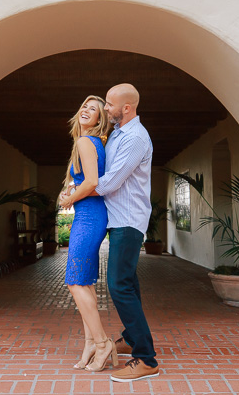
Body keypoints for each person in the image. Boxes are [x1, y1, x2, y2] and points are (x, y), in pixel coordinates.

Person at [64, 83, 160, 382]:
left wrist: (76, 194)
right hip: (115, 217)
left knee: (118, 285)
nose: (106, 109)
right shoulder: (117, 133)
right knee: (127, 281)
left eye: (108, 104)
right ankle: (131, 337)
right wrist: (82, 189)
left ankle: (146, 359)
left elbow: (110, 181)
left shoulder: (134, 138)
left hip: (128, 219)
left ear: (126, 108)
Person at [58, 95, 117, 372]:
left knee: (74, 281)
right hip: (90, 214)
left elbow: (93, 182)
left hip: (90, 215)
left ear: (99, 120)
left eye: (93, 109)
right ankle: (90, 344)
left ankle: (103, 342)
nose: (86, 110)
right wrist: (69, 190)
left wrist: (69, 199)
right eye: (84, 106)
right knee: (86, 283)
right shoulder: (89, 144)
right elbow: (84, 181)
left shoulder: (85, 141)